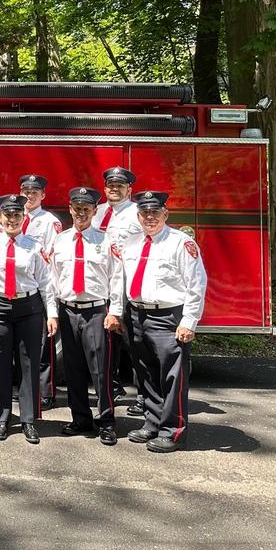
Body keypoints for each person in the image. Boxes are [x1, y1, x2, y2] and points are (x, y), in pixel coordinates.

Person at [118, 191, 207, 453]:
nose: (150, 217)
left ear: (165, 214)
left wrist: (189, 321)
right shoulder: (131, 244)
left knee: (172, 377)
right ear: (138, 216)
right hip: (137, 315)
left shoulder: (181, 243)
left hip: (169, 317)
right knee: (145, 375)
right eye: (145, 213)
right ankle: (153, 422)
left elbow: (197, 284)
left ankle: (173, 432)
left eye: (155, 212)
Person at [0, 193, 57, 444]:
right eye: (7, 215)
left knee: (29, 365)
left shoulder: (34, 246)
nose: (12, 219)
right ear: (0, 217)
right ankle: (2, 416)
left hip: (28, 307)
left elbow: (46, 283)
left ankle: (29, 420)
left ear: (23, 217)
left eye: (17, 215)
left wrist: (51, 314)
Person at [49, 187, 123, 446]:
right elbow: (52, 279)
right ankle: (80, 418)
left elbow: (117, 278)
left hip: (95, 311)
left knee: (100, 370)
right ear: (70, 210)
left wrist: (115, 312)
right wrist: (53, 313)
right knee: (73, 369)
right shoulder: (60, 241)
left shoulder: (106, 241)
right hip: (68, 310)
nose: (80, 213)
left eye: (86, 209)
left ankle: (106, 422)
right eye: (76, 208)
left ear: (94, 211)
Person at [92, 165, 145, 414]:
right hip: (101, 283)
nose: (114, 189)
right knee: (106, 339)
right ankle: (111, 386)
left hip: (128, 282)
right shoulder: (97, 211)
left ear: (129, 189)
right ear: (105, 189)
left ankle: (144, 395)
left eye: (120, 186)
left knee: (134, 341)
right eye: (111, 185)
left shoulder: (138, 213)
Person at [18, 173, 62, 409]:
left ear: (43, 195)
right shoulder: (13, 217)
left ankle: (46, 391)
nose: (29, 195)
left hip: (41, 284)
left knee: (45, 343)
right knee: (25, 343)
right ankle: (25, 387)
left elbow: (52, 255)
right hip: (21, 286)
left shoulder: (49, 222)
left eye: (34, 192)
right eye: (26, 191)